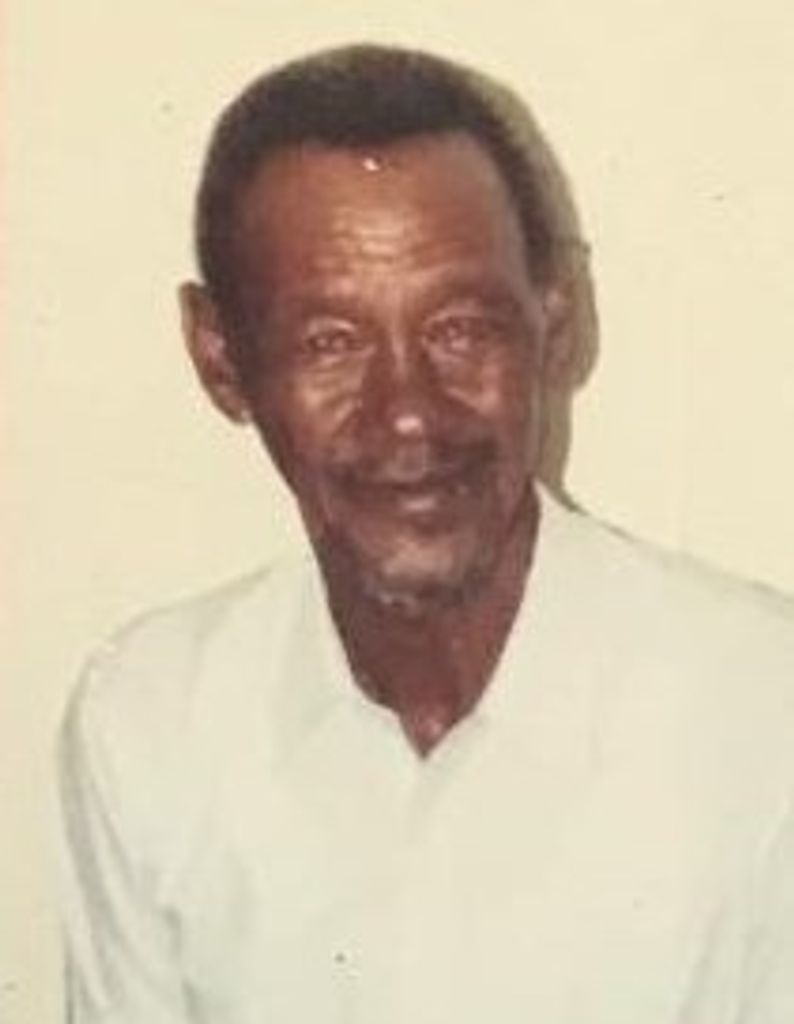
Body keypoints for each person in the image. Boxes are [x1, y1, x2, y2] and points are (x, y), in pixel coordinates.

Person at [58, 43, 794, 1023]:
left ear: (554, 321)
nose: (407, 412)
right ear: (220, 359)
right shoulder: (152, 724)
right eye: (330, 343)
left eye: (459, 328)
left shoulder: (758, 715)